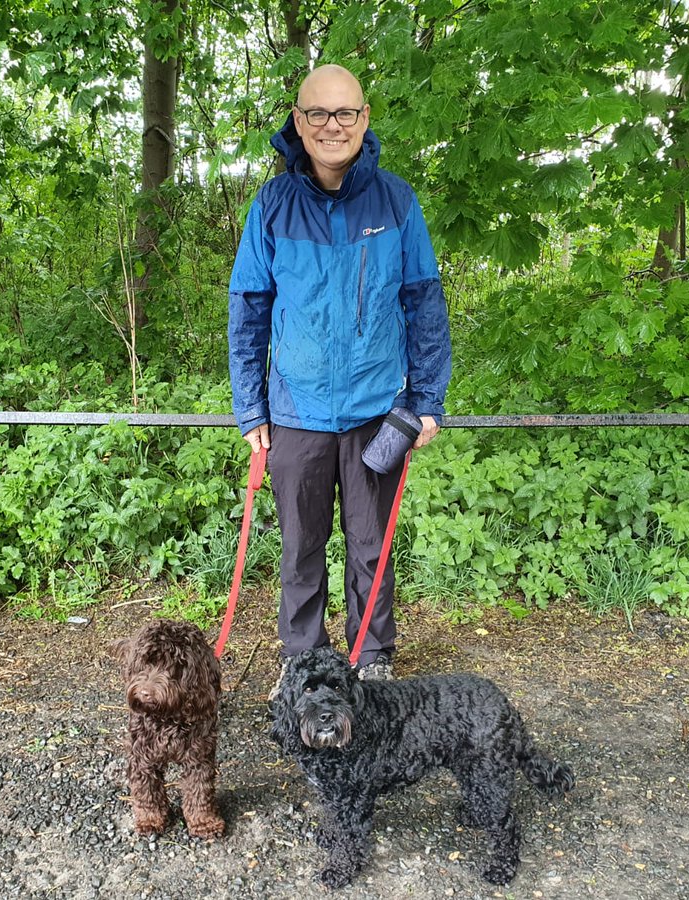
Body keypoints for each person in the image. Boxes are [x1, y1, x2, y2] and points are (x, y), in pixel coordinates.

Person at [227, 64, 451, 685]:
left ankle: (370, 661)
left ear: (364, 119)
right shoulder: (271, 206)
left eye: (345, 113)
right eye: (318, 114)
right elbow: (248, 308)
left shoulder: (397, 203)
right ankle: (302, 662)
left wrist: (427, 400)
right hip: (294, 413)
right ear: (299, 123)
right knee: (300, 550)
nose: (332, 126)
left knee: (370, 549)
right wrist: (251, 409)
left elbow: (424, 304)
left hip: (378, 410)